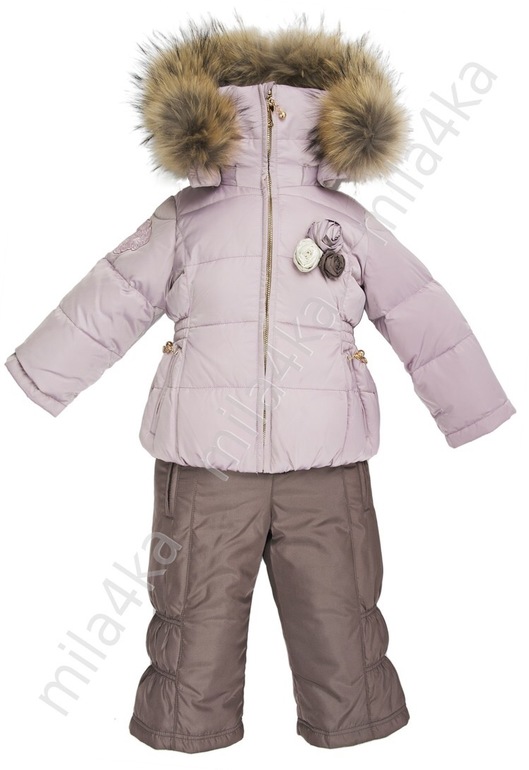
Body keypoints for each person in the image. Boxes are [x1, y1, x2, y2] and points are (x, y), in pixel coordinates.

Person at [3, 16, 516, 754]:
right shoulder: (185, 221)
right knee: (192, 631)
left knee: (342, 629)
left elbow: (416, 307)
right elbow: (115, 292)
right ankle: (189, 735)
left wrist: (472, 408)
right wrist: (41, 373)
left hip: (326, 464)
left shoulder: (345, 224)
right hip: (204, 468)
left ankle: (354, 734)